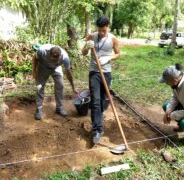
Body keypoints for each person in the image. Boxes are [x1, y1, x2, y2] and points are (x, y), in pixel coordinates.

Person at [82, 16, 121, 144]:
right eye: (100, 30)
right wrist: (87, 47)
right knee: (95, 101)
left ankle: (99, 115)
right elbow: (83, 53)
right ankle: (97, 130)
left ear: (108, 27)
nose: (102, 33)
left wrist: (108, 58)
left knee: (104, 99)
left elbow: (118, 54)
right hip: (94, 72)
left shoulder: (113, 39)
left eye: (104, 30)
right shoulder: (92, 36)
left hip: (106, 72)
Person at [32, 44, 77, 120]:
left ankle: (59, 107)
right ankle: (38, 109)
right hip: (43, 67)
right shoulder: (42, 51)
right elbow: (35, 59)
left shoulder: (65, 57)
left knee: (60, 85)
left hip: (56, 68)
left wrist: (73, 87)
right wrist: (34, 71)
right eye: (53, 59)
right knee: (39, 87)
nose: (55, 61)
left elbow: (68, 73)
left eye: (57, 60)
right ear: (49, 54)